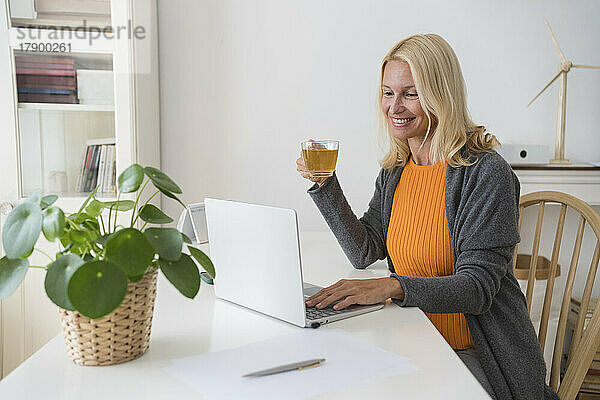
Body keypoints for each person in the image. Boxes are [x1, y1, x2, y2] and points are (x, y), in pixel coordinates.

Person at [296, 34, 559, 400]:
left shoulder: (486, 174)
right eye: (388, 93)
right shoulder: (396, 171)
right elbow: (364, 250)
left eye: (410, 93)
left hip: (475, 357)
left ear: (441, 95)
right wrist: (324, 184)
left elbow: (477, 288)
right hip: (412, 338)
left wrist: (391, 286)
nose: (394, 107)